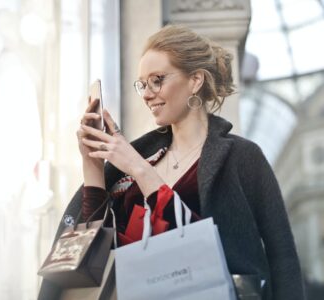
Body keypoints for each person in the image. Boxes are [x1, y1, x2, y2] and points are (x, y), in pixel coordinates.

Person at [38, 25, 305, 300]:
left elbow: (282, 256)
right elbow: (95, 249)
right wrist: (92, 165)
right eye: (142, 84)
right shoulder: (139, 157)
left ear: (195, 80)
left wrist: (140, 169)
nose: (147, 93)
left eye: (158, 79)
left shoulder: (242, 157)